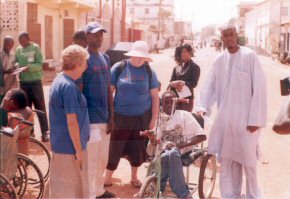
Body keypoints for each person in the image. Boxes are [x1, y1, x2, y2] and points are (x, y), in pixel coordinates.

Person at [196, 24, 267, 198]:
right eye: (225, 35)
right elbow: (209, 85)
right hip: (226, 121)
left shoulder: (249, 56)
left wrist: (255, 120)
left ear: (237, 35)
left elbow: (259, 88)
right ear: (222, 38)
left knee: (249, 162)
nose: (229, 38)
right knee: (228, 161)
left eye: (231, 35)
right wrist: (203, 106)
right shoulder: (220, 60)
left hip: (247, 121)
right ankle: (230, 195)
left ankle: (253, 196)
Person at [105, 40, 160, 188]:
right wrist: (108, 115)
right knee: (115, 147)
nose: (138, 59)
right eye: (136, 55)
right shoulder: (119, 67)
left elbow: (155, 96)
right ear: (131, 54)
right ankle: (108, 177)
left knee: (138, 148)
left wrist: (154, 117)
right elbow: (110, 92)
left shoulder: (149, 71)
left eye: (141, 57)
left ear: (146, 57)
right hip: (120, 116)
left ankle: (134, 177)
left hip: (141, 117)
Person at [145, 91, 206, 199]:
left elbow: (202, 136)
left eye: (171, 102)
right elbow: (156, 143)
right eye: (166, 102)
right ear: (162, 104)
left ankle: (183, 194)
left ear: (176, 103)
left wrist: (180, 145)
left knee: (172, 153)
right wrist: (152, 138)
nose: (169, 105)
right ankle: (158, 188)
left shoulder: (184, 115)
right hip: (166, 149)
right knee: (162, 156)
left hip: (184, 147)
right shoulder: (160, 118)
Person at [48, 45, 90, 198]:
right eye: (84, 63)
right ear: (77, 64)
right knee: (70, 191)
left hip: (61, 145)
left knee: (61, 188)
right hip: (69, 148)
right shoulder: (69, 87)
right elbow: (72, 122)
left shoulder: (59, 80)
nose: (86, 67)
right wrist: (78, 151)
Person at [82, 22, 115, 198]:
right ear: (87, 36)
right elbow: (78, 91)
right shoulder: (83, 58)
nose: (99, 37)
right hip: (91, 119)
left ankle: (99, 190)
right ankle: (89, 194)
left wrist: (112, 116)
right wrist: (83, 120)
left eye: (101, 34)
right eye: (95, 34)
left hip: (105, 117)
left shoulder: (105, 58)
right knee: (91, 161)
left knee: (102, 159)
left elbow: (109, 88)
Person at [15, 32, 49, 142]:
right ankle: (30, 131)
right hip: (23, 83)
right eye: (20, 41)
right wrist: (16, 65)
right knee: (26, 109)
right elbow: (16, 62)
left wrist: (29, 68)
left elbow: (40, 64)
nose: (22, 43)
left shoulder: (35, 48)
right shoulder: (18, 50)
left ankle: (45, 132)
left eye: (24, 41)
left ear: (29, 39)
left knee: (40, 108)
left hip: (35, 82)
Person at [1, 88, 34, 155]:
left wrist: (3, 106)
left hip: (10, 155)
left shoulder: (13, 117)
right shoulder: (30, 111)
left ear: (12, 103)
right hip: (23, 151)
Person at [170, 44, 200, 112]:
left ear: (190, 53)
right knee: (176, 120)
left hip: (187, 100)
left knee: (185, 120)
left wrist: (183, 83)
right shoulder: (177, 67)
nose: (182, 54)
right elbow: (171, 81)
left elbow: (194, 83)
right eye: (181, 52)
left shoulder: (195, 67)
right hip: (176, 99)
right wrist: (175, 85)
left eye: (184, 52)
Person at [0, 36, 17, 103]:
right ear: (3, 43)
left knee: (10, 102)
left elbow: (14, 64)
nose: (9, 46)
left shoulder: (13, 54)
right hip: (2, 83)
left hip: (10, 83)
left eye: (11, 45)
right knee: (2, 102)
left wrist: (15, 67)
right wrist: (6, 71)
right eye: (7, 44)